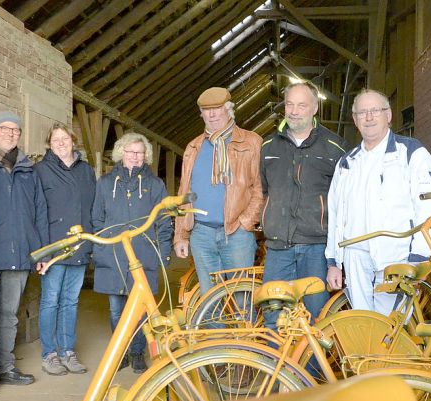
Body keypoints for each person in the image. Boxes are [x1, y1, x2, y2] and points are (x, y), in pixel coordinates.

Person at [325, 89, 431, 316]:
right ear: (355, 119)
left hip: (396, 257)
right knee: (362, 323)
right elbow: (336, 215)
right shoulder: (346, 163)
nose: (369, 117)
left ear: (388, 115)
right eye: (362, 112)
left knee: (390, 330)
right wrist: (333, 261)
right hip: (355, 258)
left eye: (375, 111)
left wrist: (419, 258)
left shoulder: (411, 153)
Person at [260, 82, 348, 322]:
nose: (294, 111)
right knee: (274, 317)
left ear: (315, 108)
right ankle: (275, 361)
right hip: (278, 248)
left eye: (302, 105)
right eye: (290, 104)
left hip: (316, 248)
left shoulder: (334, 147)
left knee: (315, 317)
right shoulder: (268, 146)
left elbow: (343, 201)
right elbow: (266, 189)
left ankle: (310, 362)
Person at [0, 111, 48, 386]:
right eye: (5, 128)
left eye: (16, 130)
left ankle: (6, 366)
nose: (11, 133)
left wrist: (40, 251)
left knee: (9, 315)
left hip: (19, 253)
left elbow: (39, 210)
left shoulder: (28, 170)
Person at [92, 133, 173, 373]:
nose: (134, 157)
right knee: (116, 308)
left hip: (143, 254)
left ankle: (137, 353)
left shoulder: (155, 185)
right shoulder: (106, 183)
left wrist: (163, 253)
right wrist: (103, 246)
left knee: (140, 310)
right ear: (121, 154)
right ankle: (122, 351)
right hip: (114, 254)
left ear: (145, 156)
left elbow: (164, 220)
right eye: (130, 152)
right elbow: (97, 218)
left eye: (139, 153)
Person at [173, 87, 264, 295]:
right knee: (210, 299)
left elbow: (260, 188)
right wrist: (181, 235)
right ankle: (215, 329)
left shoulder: (251, 142)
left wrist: (245, 223)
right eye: (206, 110)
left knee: (241, 297)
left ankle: (243, 330)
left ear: (229, 110)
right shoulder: (193, 147)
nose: (212, 114)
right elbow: (183, 193)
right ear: (201, 114)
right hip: (201, 234)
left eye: (217, 108)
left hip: (236, 233)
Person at [34, 123, 96, 376]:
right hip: (54, 247)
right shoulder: (41, 170)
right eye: (55, 139)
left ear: (73, 141)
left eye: (65, 138)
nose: (61, 143)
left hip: (80, 244)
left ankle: (67, 351)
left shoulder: (87, 171)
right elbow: (37, 211)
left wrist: (91, 239)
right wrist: (41, 251)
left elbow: (92, 206)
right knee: (50, 301)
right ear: (49, 144)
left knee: (70, 301)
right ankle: (49, 353)